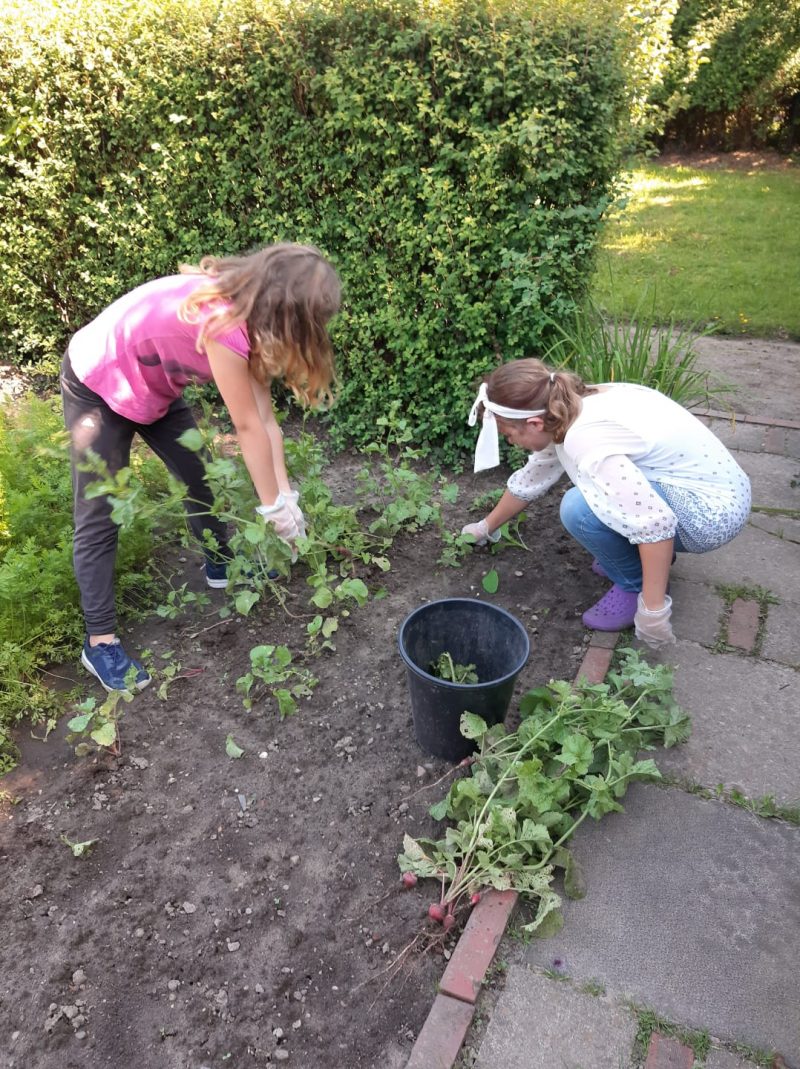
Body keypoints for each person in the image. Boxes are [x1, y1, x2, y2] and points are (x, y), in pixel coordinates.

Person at [62, 243, 341, 691]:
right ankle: (100, 642)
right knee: (101, 510)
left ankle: (220, 565)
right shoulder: (224, 325)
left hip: (154, 387)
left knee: (200, 477)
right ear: (287, 314)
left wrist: (287, 498)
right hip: (100, 380)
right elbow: (247, 427)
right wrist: (272, 512)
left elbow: (269, 421)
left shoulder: (254, 322)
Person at [462, 358, 751, 648]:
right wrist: (485, 527)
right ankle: (639, 560)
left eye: (509, 436)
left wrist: (653, 611)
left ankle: (634, 584)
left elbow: (654, 522)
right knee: (594, 501)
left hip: (710, 516)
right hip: (716, 488)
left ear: (534, 423)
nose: (511, 443)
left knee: (579, 510)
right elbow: (533, 477)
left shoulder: (585, 437)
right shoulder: (566, 404)